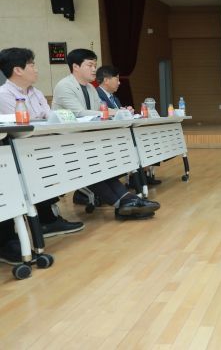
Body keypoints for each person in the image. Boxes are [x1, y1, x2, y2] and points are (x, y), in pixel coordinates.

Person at [52, 49, 161, 220]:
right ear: (75, 67)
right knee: (94, 168)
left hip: (83, 142)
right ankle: (125, 203)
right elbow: (79, 113)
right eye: (90, 65)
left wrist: (121, 112)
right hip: (65, 145)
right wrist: (113, 113)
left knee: (102, 167)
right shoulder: (64, 86)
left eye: (95, 65)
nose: (94, 69)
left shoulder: (90, 88)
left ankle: (127, 201)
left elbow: (101, 110)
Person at [0, 47, 85, 239]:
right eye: (32, 65)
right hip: (18, 151)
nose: (36, 69)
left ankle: (48, 219)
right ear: (17, 70)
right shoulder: (3, 94)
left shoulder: (36, 92)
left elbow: (49, 117)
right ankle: (46, 221)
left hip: (40, 145)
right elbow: (21, 125)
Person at [95, 65, 160, 186]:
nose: (119, 83)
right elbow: (103, 115)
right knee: (138, 142)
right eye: (117, 79)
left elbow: (118, 114)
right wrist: (122, 112)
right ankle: (137, 177)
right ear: (106, 80)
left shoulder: (114, 97)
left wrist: (127, 111)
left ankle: (142, 174)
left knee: (146, 138)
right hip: (110, 136)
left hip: (121, 132)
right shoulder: (96, 95)